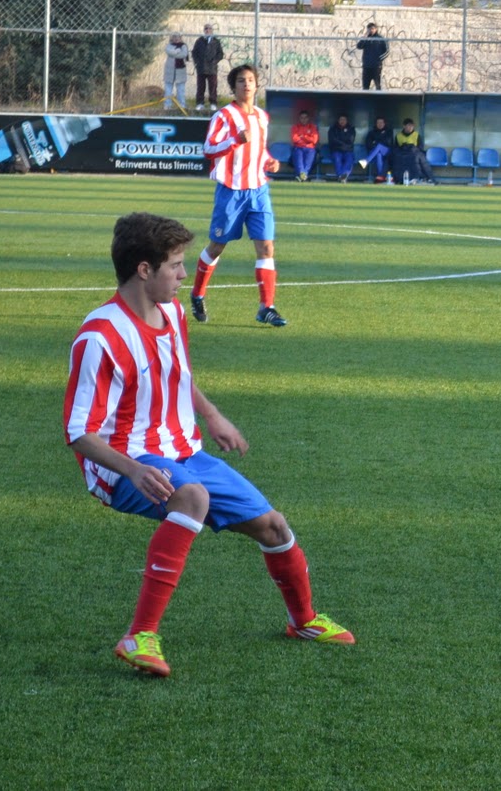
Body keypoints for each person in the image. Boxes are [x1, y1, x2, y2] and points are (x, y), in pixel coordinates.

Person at [64, 211, 354, 677]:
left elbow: (176, 374)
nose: (184, 274)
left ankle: (302, 621)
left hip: (183, 452)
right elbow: (78, 432)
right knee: (192, 497)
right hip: (122, 462)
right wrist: (134, 470)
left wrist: (212, 414)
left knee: (274, 527)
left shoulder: (173, 313)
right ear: (144, 270)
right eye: (176, 265)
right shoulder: (101, 337)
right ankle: (139, 636)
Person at [190, 64, 288, 327]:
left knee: (266, 247)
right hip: (231, 192)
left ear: (256, 85)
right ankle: (197, 294)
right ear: (234, 87)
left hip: (259, 190)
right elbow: (209, 149)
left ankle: (266, 307)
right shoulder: (224, 116)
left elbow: (259, 150)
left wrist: (269, 162)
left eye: (251, 80)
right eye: (242, 81)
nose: (247, 84)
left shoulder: (262, 117)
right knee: (217, 247)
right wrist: (235, 139)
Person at [392, 117, 436, 185]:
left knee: (418, 159)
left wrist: (412, 148)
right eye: (408, 126)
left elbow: (420, 147)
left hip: (414, 154)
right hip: (402, 155)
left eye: (411, 126)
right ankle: (400, 179)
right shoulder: (398, 136)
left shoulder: (417, 135)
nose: (410, 128)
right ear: (404, 126)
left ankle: (421, 178)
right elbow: (396, 148)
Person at [191, 24, 225, 111]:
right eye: (206, 28)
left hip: (212, 68)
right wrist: (197, 62)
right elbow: (194, 52)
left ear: (212, 30)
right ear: (204, 30)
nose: (208, 30)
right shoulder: (199, 41)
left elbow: (220, 54)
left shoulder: (216, 41)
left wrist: (215, 61)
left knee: (213, 87)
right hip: (201, 67)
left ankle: (213, 103)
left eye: (209, 28)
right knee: (200, 87)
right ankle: (200, 103)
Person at [356, 23, 389, 90]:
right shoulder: (366, 39)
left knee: (377, 86)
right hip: (366, 66)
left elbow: (387, 51)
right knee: (365, 87)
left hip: (376, 67)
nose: (371, 30)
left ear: (376, 29)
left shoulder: (380, 39)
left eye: (372, 29)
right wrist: (364, 38)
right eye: (369, 29)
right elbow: (359, 46)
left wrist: (378, 59)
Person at [162, 34, 191, 112]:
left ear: (181, 38)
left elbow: (183, 54)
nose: (176, 39)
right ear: (172, 38)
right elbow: (169, 52)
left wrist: (174, 53)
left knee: (181, 89)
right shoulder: (169, 46)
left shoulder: (184, 46)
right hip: (169, 71)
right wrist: (178, 51)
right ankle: (167, 105)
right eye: (174, 37)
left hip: (180, 71)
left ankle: (181, 105)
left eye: (178, 37)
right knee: (168, 89)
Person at [362, 116, 394, 183]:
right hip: (375, 153)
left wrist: (376, 142)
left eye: (381, 122)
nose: (380, 124)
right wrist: (379, 142)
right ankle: (381, 176)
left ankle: (366, 161)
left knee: (379, 146)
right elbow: (368, 144)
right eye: (378, 123)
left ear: (384, 123)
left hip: (387, 152)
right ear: (376, 124)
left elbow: (388, 142)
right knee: (378, 154)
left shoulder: (389, 131)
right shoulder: (372, 132)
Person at [289, 110, 319, 182]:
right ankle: (303, 175)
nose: (304, 119)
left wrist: (302, 136)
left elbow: (314, 140)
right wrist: (308, 139)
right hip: (298, 147)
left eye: (305, 118)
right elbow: (294, 139)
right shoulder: (295, 127)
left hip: (310, 148)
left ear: (308, 118)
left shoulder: (312, 127)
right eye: (302, 118)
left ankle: (301, 176)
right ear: (299, 119)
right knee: (299, 161)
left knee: (308, 163)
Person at [328, 114, 357, 183]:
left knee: (350, 159)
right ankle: (341, 176)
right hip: (336, 150)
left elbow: (351, 140)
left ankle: (343, 175)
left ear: (347, 121)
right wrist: (344, 142)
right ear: (338, 121)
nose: (342, 121)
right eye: (341, 119)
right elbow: (332, 140)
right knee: (337, 159)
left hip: (348, 150)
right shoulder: (333, 129)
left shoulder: (351, 129)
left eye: (344, 120)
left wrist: (339, 140)